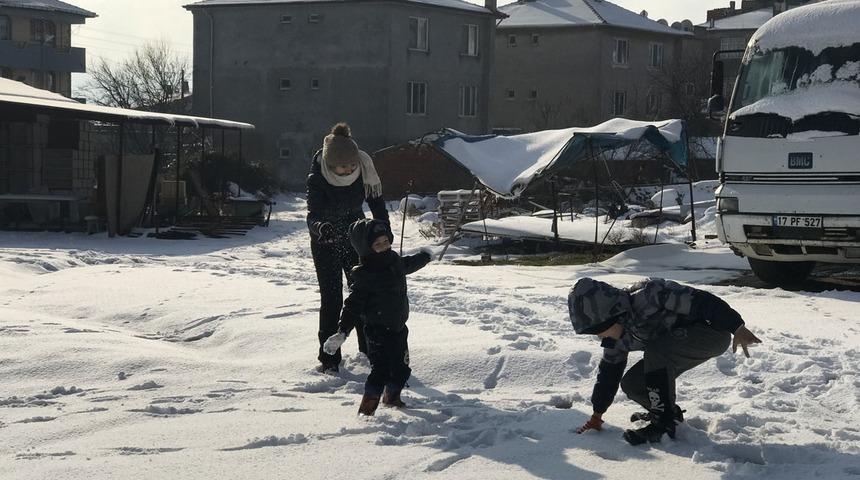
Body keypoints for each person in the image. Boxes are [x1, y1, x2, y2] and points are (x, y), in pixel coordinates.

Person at [568, 277, 762, 445]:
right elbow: (608, 375)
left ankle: (664, 424)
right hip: (670, 347)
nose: (599, 337)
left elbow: (703, 301)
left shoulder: (650, 295)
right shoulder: (616, 340)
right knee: (632, 383)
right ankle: (669, 415)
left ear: (612, 316)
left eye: (598, 330)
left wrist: (736, 326)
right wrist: (597, 416)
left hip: (711, 334)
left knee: (656, 350)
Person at [322, 218, 431, 416]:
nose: (384, 247)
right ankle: (367, 410)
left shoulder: (395, 261)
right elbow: (352, 306)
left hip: (399, 326)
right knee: (380, 370)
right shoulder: (365, 276)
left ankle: (392, 397)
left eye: (386, 241)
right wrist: (342, 331)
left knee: (401, 368)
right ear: (366, 248)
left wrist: (425, 257)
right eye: (377, 244)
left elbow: (409, 264)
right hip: (378, 331)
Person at [307, 122, 389, 374]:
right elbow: (312, 215)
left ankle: (369, 350)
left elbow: (376, 203)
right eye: (343, 167)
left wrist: (383, 230)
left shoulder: (363, 169)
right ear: (330, 165)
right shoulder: (318, 177)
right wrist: (322, 228)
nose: (349, 169)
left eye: (352, 165)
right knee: (332, 300)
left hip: (358, 238)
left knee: (363, 295)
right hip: (326, 242)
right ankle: (330, 359)